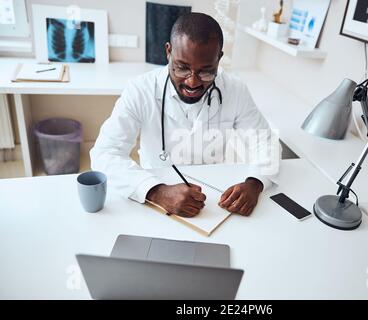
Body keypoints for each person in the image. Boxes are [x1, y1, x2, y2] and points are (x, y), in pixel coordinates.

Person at [90, 13, 278, 218]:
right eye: (182, 68)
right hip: (154, 200)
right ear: (168, 52)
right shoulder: (140, 89)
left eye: (206, 71)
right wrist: (155, 191)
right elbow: (104, 153)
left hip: (214, 203)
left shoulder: (235, 90)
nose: (192, 82)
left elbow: (266, 143)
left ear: (219, 58)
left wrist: (256, 182)